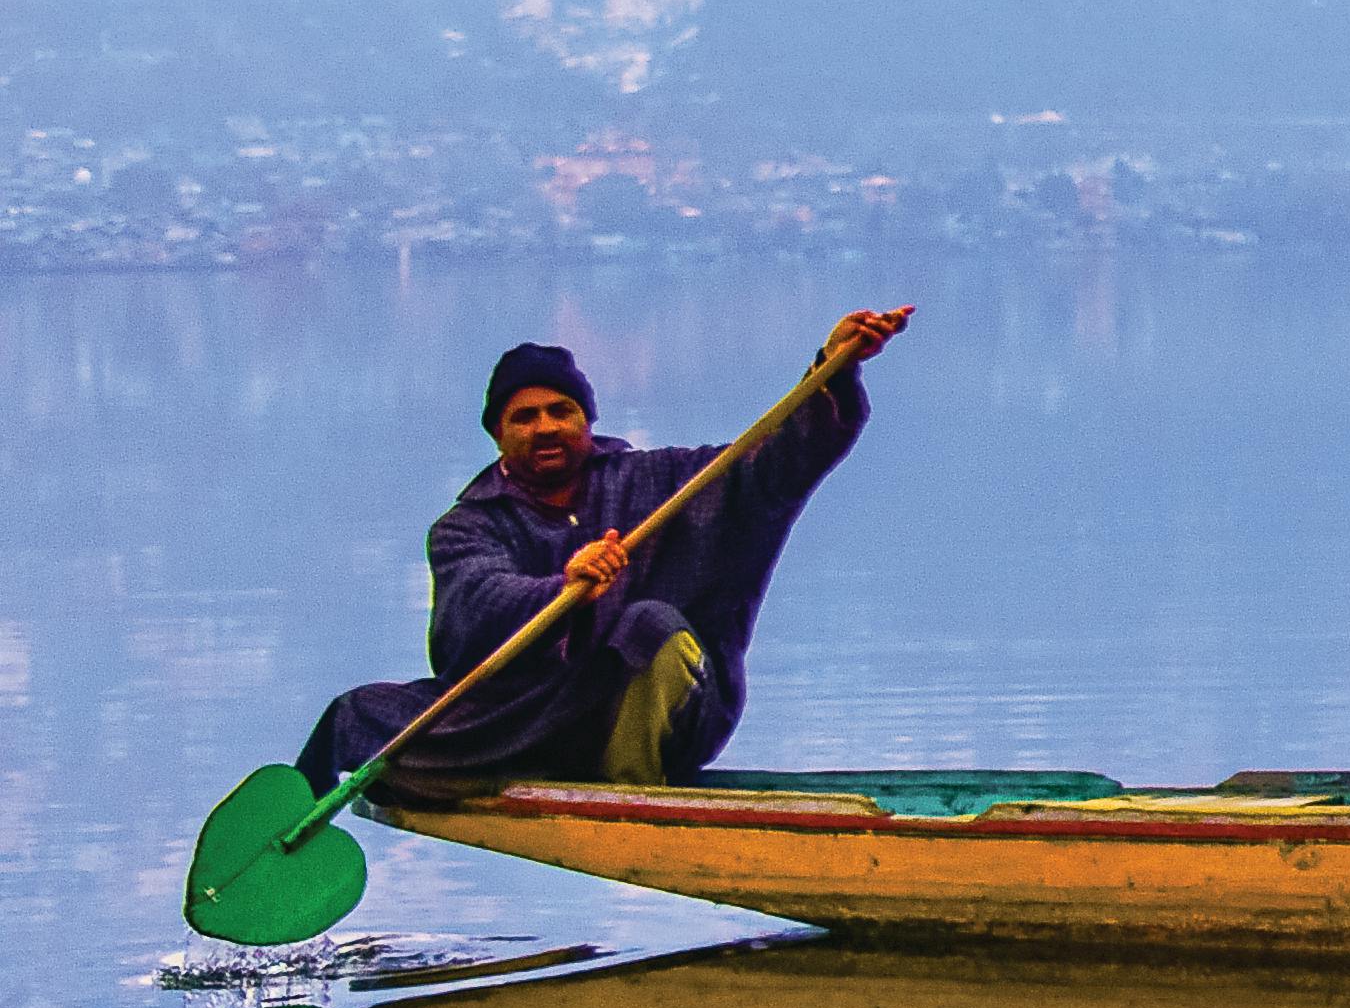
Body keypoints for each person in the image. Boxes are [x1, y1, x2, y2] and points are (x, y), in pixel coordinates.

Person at [293, 309, 913, 793]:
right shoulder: (466, 525)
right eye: (525, 417)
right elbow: (475, 600)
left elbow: (772, 465)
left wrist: (831, 367)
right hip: (528, 715)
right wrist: (563, 588)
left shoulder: (660, 482)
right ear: (499, 435)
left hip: (654, 719)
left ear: (586, 420)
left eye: (561, 411)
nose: (546, 427)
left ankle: (628, 792)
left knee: (651, 624)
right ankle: (298, 824)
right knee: (360, 713)